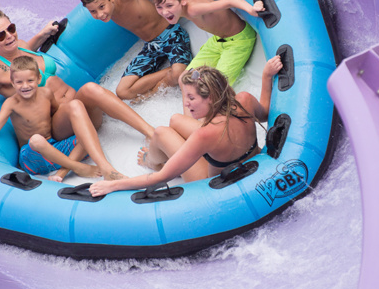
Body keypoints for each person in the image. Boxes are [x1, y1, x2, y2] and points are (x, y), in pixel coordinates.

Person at [0, 6, 154, 146]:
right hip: (59, 125)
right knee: (90, 90)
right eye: (0, 35)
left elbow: (29, 49)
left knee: (91, 90)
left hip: (77, 108)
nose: (9, 36)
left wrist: (43, 34)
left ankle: (150, 133)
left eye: (11, 28)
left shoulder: (22, 46)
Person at [88, 56, 283, 197]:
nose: (187, 103)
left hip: (211, 180)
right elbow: (265, 113)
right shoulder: (244, 101)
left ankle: (150, 160)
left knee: (162, 133)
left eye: (191, 98)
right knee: (176, 119)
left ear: (212, 98)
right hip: (247, 158)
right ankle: (184, 89)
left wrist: (113, 186)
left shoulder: (205, 135)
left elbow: (161, 178)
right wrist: (266, 76)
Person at [77, 0, 208, 100]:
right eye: (93, 11)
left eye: (101, 7)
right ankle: (169, 71)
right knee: (123, 92)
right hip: (152, 47)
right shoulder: (107, 3)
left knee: (179, 75)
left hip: (171, 35)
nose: (100, 14)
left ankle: (156, 89)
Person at [0, 56, 122, 180]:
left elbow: (58, 114)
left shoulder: (46, 94)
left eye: (30, 80)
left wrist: (84, 116)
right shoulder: (11, 103)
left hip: (55, 148)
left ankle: (64, 172)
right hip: (32, 155)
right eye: (19, 82)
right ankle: (77, 167)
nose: (25, 86)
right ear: (13, 83)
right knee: (37, 139)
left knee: (86, 135)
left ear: (38, 79)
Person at [148, 0, 265, 87]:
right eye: (159, 7)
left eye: (169, 6)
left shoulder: (194, 9)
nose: (165, 12)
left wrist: (251, 9)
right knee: (184, 78)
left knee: (217, 86)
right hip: (218, 41)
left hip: (239, 41)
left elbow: (231, 1)